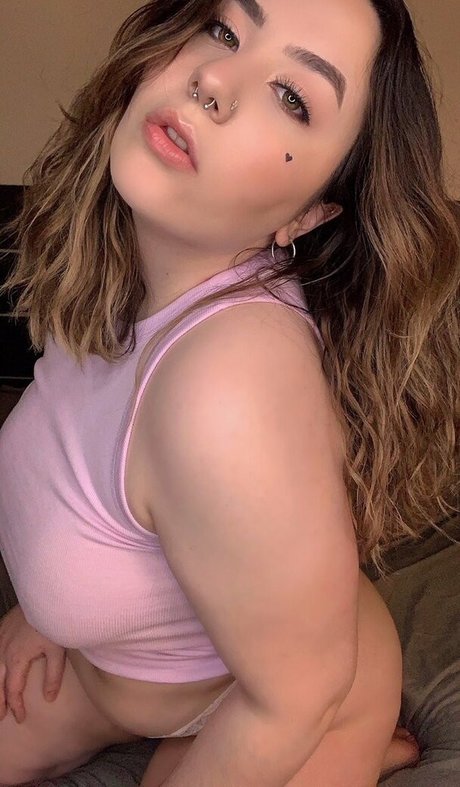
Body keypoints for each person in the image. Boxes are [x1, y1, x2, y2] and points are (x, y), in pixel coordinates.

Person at [0, 0, 458, 784]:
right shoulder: (132, 256)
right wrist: (45, 612)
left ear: (311, 212)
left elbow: (297, 694)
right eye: (223, 29)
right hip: (117, 670)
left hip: (304, 698)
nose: (213, 80)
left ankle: (362, 746)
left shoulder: (228, 390)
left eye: (293, 97)